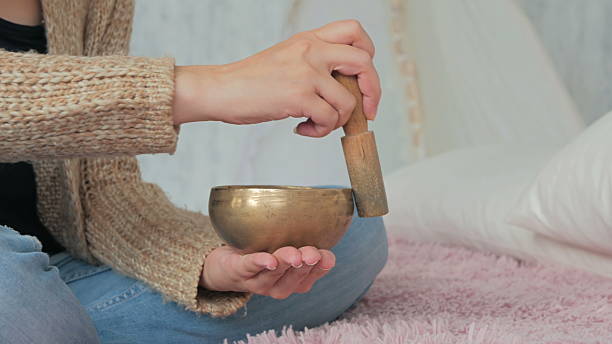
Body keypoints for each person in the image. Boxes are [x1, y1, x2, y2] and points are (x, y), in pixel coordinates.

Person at [0, 0, 388, 343]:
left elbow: (100, 186)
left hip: (60, 270)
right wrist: (207, 86)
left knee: (353, 238)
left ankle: (55, 324)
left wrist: (203, 264)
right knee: (15, 290)